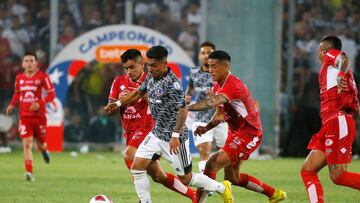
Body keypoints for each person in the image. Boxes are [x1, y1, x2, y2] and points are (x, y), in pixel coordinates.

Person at [105, 46, 234, 203]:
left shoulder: (172, 84)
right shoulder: (151, 77)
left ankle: (222, 188)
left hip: (175, 137)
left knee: (186, 178)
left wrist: (175, 136)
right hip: (157, 133)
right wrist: (118, 103)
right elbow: (138, 92)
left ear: (164, 63)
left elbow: (183, 110)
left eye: (154, 65)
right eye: (148, 64)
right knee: (136, 167)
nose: (150, 68)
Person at [188, 50, 287, 203]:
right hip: (236, 133)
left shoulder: (232, 85)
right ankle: (275, 194)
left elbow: (211, 103)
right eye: (209, 66)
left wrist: (186, 107)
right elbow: (220, 115)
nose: (210, 70)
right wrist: (206, 128)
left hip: (249, 133)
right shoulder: (217, 86)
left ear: (225, 67)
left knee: (211, 164)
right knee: (232, 177)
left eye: (214, 66)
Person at [106, 49, 197, 202]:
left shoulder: (151, 80)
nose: (129, 71)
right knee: (158, 176)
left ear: (142, 64)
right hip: (129, 131)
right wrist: (118, 103)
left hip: (148, 129)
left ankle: (143, 200)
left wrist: (138, 96)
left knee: (129, 156)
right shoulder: (118, 82)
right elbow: (110, 108)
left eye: (132, 67)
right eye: (126, 68)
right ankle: (193, 195)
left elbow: (160, 104)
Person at [300, 36, 360, 203]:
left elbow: (343, 58)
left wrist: (341, 72)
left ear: (324, 51)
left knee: (338, 176)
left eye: (319, 51)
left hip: (337, 121)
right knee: (307, 170)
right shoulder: (335, 72)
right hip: (332, 124)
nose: (318, 55)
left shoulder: (331, 57)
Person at [6, 52, 55, 182]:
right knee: (27, 144)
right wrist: (12, 105)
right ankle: (29, 172)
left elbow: (51, 95)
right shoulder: (19, 78)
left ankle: (44, 151)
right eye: (26, 61)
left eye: (31, 61)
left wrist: (39, 103)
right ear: (22, 64)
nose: (29, 63)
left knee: (41, 144)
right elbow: (17, 93)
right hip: (24, 116)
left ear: (36, 63)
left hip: (39, 117)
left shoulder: (43, 77)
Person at [185, 41, 228, 173]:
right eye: (203, 52)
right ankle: (205, 186)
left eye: (208, 53)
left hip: (220, 118)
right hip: (201, 118)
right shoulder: (193, 72)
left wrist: (216, 94)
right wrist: (187, 96)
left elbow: (228, 92)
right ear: (199, 56)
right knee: (205, 150)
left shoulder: (220, 73)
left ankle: (228, 180)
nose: (205, 55)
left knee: (226, 153)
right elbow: (191, 88)